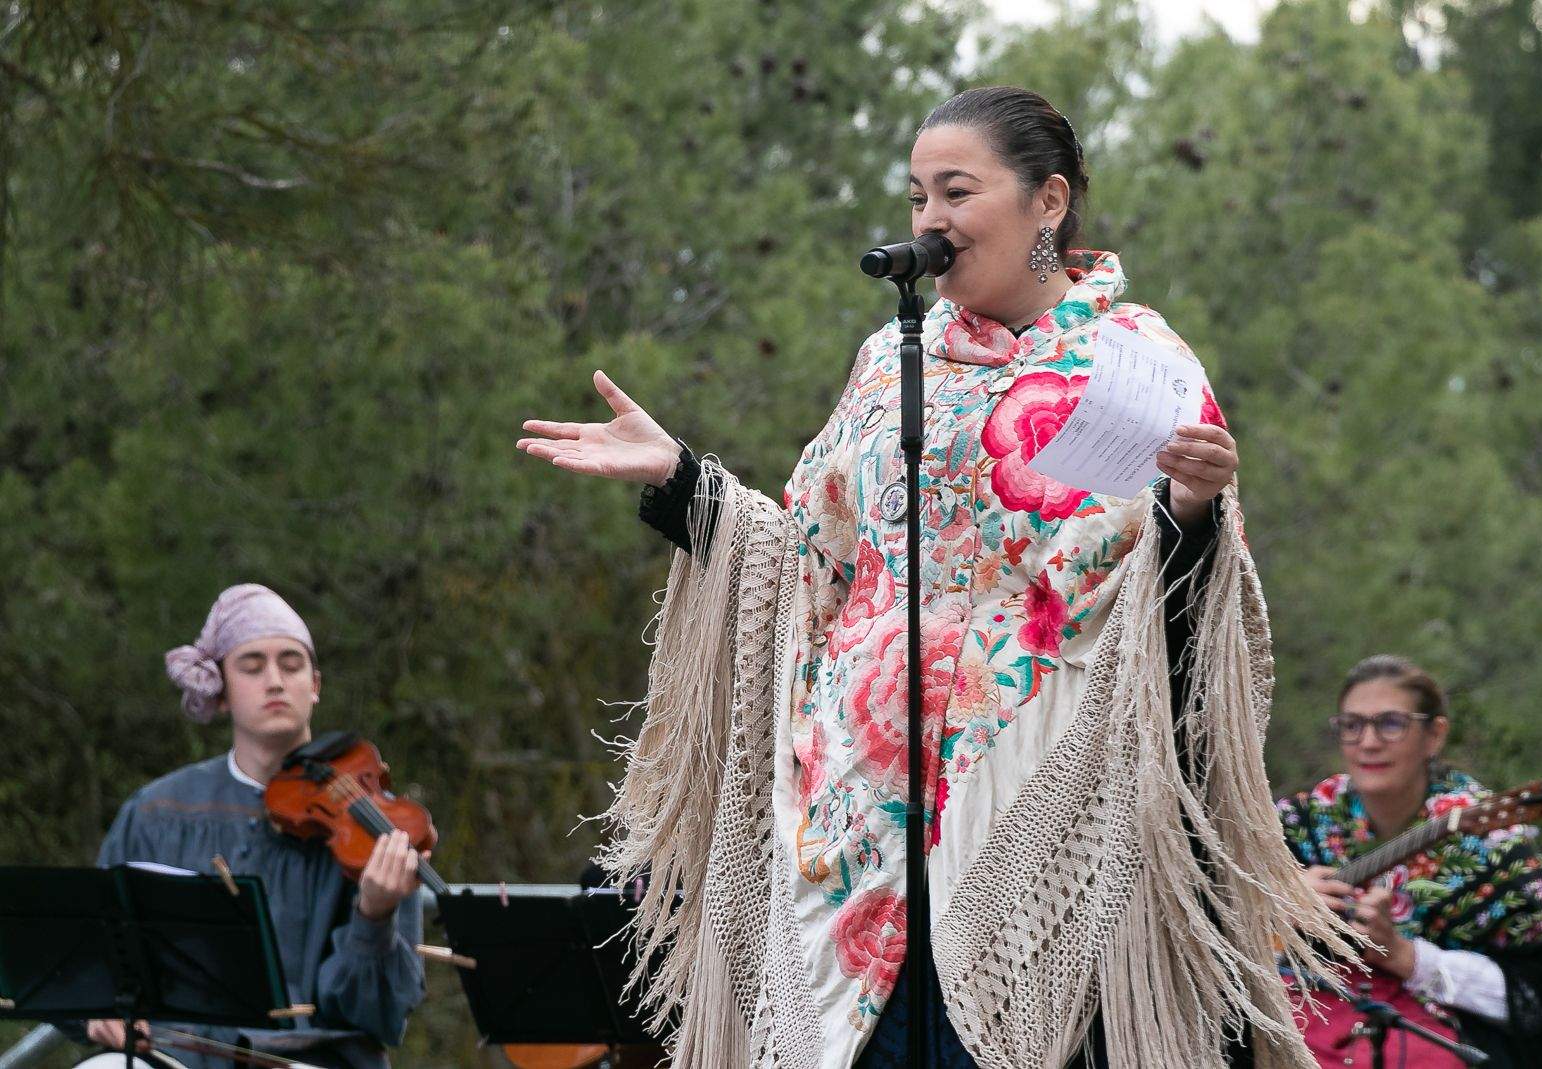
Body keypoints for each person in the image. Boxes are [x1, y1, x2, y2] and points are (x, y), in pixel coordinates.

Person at [517, 85, 1352, 1068]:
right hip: (855, 832)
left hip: (1039, 826)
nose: (930, 221)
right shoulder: (889, 361)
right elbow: (816, 564)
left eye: (956, 191)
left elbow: (1172, 619)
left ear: (1048, 201)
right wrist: (683, 480)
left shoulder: (1132, 362)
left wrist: (1194, 512)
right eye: (917, 197)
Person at [78, 584, 426, 1069]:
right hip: (177, 1057)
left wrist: (374, 915)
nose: (275, 681)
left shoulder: (373, 828)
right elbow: (94, 955)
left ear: (316, 684)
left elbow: (377, 1016)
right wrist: (99, 1011)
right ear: (221, 694)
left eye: (291, 663)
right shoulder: (159, 811)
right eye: (252, 666)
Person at [1278, 655, 1542, 1069]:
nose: (1368, 742)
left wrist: (1403, 955)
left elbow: (1531, 997)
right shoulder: (1296, 825)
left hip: (1431, 1039)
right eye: (1352, 725)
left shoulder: (1490, 845)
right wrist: (1276, 901)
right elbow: (1209, 911)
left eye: (1391, 723)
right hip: (1303, 1019)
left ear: (1434, 735)